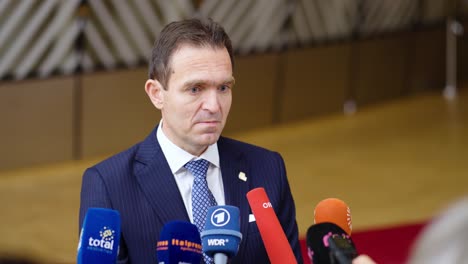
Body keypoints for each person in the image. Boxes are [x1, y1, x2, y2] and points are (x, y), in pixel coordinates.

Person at [79, 18, 302, 263]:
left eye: (224, 88)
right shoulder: (108, 185)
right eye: (195, 89)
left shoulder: (267, 168)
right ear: (156, 94)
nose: (214, 106)